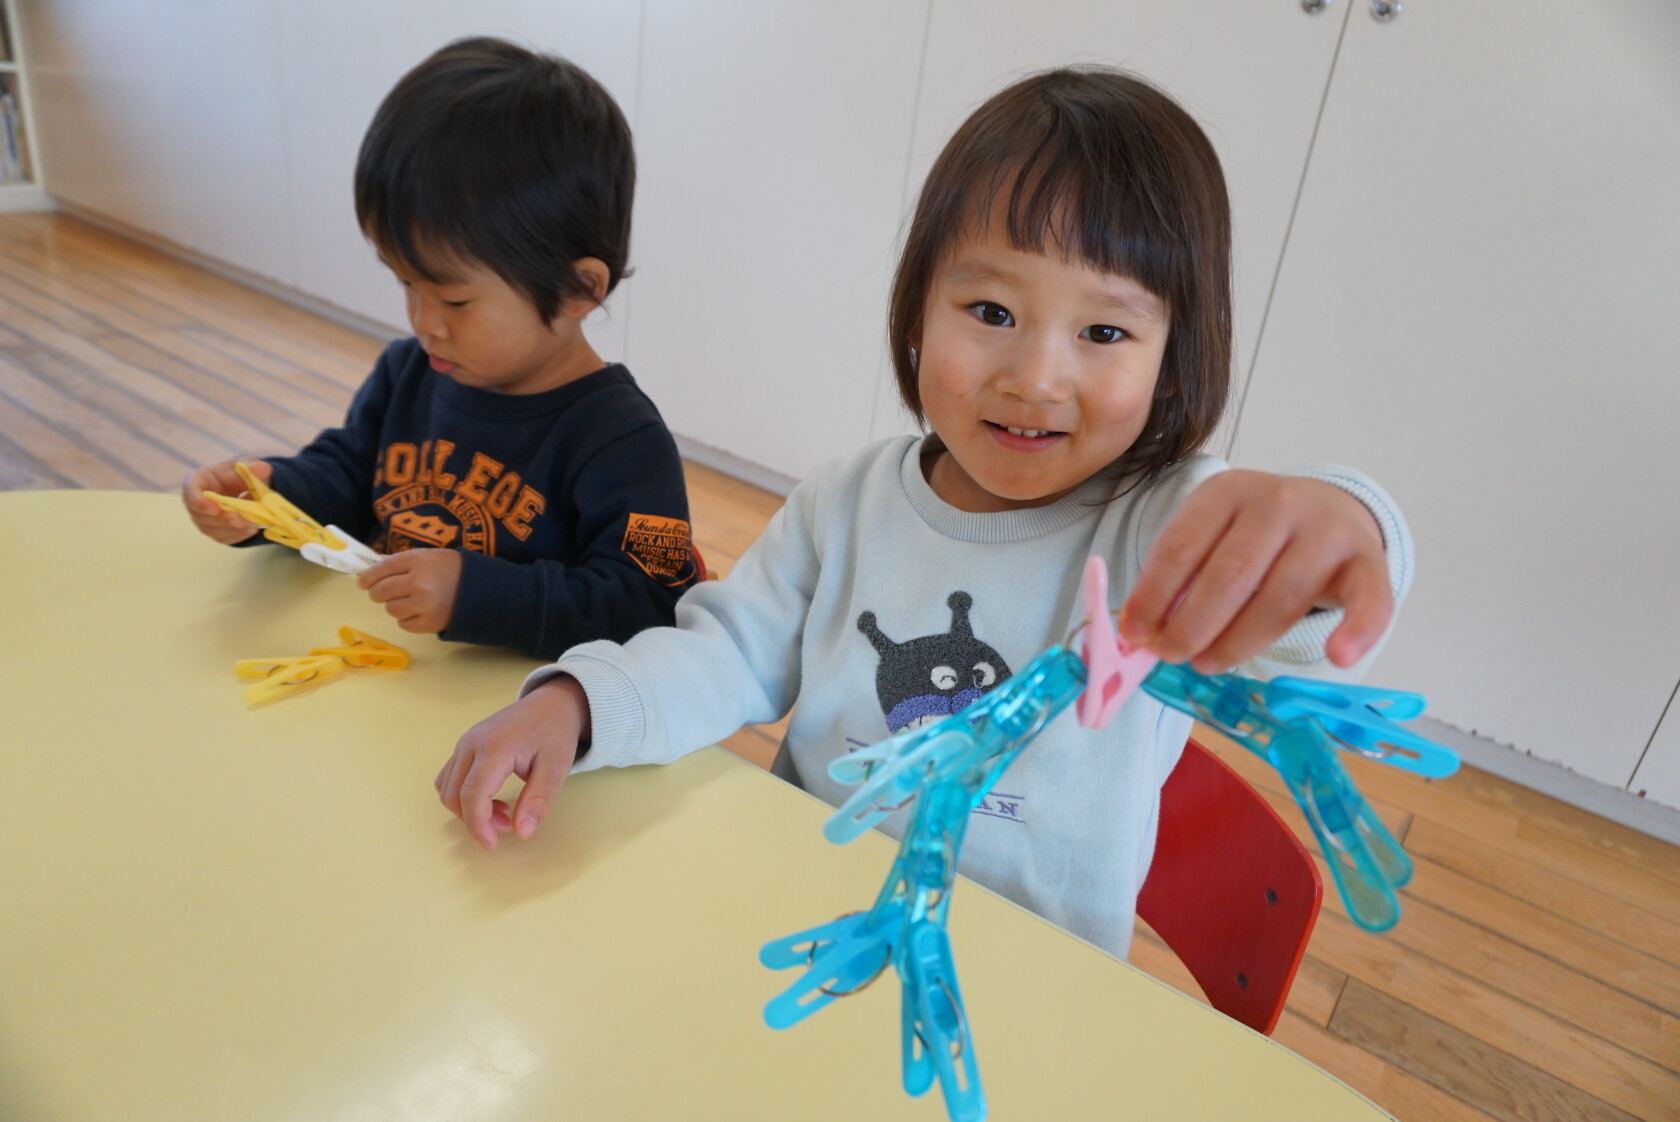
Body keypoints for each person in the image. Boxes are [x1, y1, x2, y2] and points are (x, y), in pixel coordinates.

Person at [434, 68, 1414, 959]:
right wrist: (581, 703)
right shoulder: (845, 502)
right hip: (805, 925)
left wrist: (1337, 527)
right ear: (917, 308)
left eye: (1104, 330)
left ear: (1174, 356)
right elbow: (725, 653)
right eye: (991, 313)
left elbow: (1295, 627)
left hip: (1024, 986)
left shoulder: (1167, 525)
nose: (1034, 377)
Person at [180, 37, 696, 660]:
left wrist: (475, 595)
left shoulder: (623, 439)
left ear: (577, 289)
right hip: (392, 681)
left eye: (454, 300)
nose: (423, 323)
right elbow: (350, 475)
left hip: (518, 710)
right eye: (406, 283)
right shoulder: (409, 372)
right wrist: (270, 499)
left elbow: (649, 601)